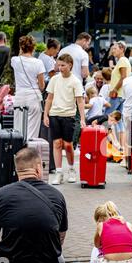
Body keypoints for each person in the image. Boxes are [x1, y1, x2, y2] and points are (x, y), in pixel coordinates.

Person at [43, 54, 86, 185]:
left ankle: (72, 169)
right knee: (56, 144)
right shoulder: (54, 79)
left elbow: (80, 101)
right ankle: (58, 172)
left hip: (69, 116)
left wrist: (83, 119)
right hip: (54, 114)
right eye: (58, 65)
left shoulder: (75, 81)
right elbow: (49, 98)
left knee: (68, 145)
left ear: (70, 65)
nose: (60, 68)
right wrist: (45, 115)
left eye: (63, 65)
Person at [11, 35, 46, 140]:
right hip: (33, 96)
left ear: (21, 47)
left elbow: (19, 56)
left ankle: (18, 152)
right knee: (32, 129)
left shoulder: (15, 60)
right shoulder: (38, 62)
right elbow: (41, 85)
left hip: (20, 96)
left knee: (18, 127)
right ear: (34, 48)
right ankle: (29, 153)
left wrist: (21, 51)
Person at [107, 41, 131, 159]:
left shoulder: (122, 61)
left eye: (115, 48)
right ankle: (121, 146)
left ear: (122, 49)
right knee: (119, 121)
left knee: (107, 118)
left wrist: (114, 90)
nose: (113, 50)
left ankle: (113, 144)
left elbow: (123, 77)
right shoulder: (123, 61)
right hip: (121, 94)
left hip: (118, 94)